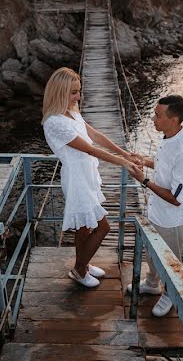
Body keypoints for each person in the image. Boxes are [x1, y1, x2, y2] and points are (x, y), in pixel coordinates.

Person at [42, 67, 136, 288]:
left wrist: (125, 153)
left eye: (79, 91)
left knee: (85, 228)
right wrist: (123, 163)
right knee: (102, 227)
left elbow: (95, 136)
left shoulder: (72, 111)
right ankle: (79, 269)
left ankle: (82, 264)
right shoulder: (54, 122)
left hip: (87, 175)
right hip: (77, 179)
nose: (78, 96)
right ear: (60, 92)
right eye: (73, 92)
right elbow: (90, 149)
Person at [126, 95, 183, 316]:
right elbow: (163, 164)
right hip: (155, 212)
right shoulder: (167, 137)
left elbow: (176, 198)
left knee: (170, 261)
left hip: (171, 219)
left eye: (157, 115)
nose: (152, 118)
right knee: (150, 253)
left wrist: (143, 180)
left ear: (174, 119)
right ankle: (152, 283)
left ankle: (170, 293)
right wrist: (144, 161)